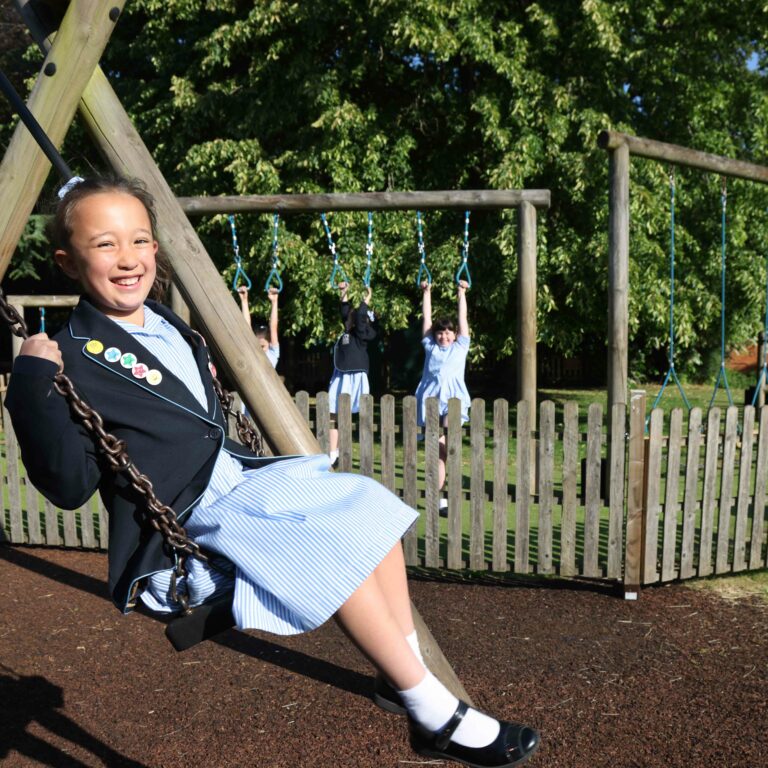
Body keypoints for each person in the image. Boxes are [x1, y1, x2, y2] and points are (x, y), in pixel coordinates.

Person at [5, 175, 539, 768]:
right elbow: (68, 486)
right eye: (105, 245)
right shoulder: (70, 351)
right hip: (187, 524)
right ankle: (433, 711)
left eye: (140, 240)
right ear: (67, 261)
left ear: (157, 248)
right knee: (332, 547)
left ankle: (399, 676)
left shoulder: (169, 323)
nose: (128, 258)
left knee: (367, 503)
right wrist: (31, 383)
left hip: (241, 479)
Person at [415, 280, 472, 512]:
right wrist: (427, 293)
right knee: (437, 454)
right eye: (441, 332)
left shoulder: (461, 347)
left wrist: (461, 294)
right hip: (430, 401)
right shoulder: (431, 347)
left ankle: (450, 486)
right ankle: (440, 499)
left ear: (455, 334)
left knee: (449, 444)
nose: (444, 336)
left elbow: (463, 319)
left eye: (448, 332)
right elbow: (426, 320)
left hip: (454, 401)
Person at [327, 280, 376, 466]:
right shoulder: (346, 332)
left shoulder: (360, 335)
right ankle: (333, 451)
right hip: (341, 375)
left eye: (352, 318)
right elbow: (344, 310)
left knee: (347, 415)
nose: (347, 319)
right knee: (333, 413)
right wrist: (344, 292)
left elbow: (361, 316)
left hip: (354, 377)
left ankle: (344, 451)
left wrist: (366, 299)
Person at [238, 284, 280, 369]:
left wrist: (274, 302)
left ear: (269, 342)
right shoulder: (252, 351)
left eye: (262, 346)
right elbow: (246, 328)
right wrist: (244, 300)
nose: (261, 340)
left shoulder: (273, 353)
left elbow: (273, 327)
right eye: (259, 336)